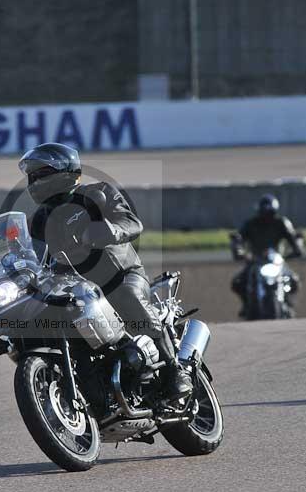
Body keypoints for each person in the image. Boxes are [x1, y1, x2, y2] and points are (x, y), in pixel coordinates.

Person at [18, 142, 193, 400]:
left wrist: (108, 230)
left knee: (128, 298)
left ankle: (174, 369)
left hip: (121, 277)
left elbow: (131, 223)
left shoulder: (98, 193)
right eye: (32, 176)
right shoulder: (39, 221)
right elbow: (28, 255)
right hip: (78, 291)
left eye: (40, 174)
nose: (34, 181)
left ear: (65, 170)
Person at [230, 194, 302, 318]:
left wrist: (297, 247)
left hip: (276, 261)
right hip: (256, 261)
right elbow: (239, 238)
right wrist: (238, 249)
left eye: (270, 214)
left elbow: (293, 237)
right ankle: (246, 305)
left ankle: (288, 303)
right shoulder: (251, 224)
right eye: (264, 215)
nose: (267, 218)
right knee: (237, 282)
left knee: (294, 281)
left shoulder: (282, 223)